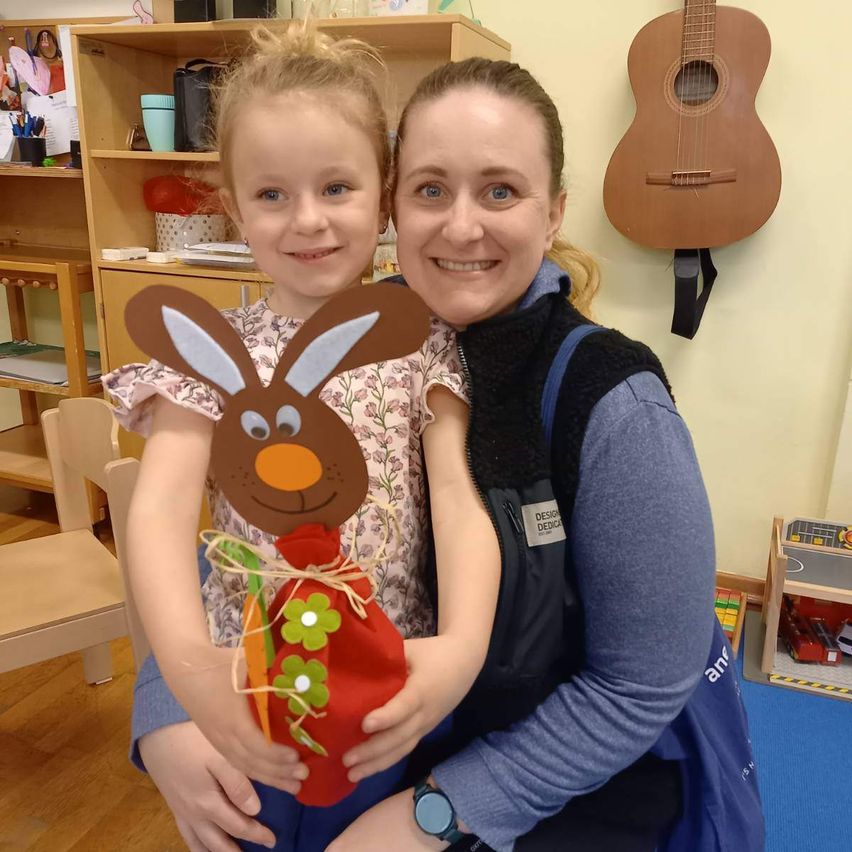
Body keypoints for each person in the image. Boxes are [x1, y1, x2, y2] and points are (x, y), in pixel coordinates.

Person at [129, 55, 764, 852]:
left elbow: (641, 686)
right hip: (347, 732)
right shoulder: (359, 329)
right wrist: (167, 707)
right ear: (395, 200)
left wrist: (436, 812)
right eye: (431, 189)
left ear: (555, 209)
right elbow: (234, 529)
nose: (461, 226)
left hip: (557, 787)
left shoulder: (615, 404)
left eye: (500, 190)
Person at [102, 28, 500, 852]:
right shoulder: (207, 353)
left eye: (337, 186)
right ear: (233, 204)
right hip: (246, 693)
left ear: (383, 192)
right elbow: (161, 510)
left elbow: (459, 502)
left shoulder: (423, 344)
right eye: (273, 195)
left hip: (388, 694)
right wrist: (186, 674)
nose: (307, 219)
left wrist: (459, 651)